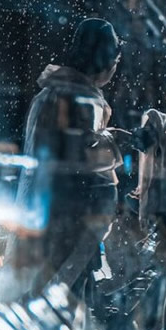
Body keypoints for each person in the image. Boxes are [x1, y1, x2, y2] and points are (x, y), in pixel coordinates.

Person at [17, 18, 125, 297]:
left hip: (43, 205)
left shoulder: (52, 90)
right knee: (64, 290)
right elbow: (85, 153)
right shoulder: (81, 96)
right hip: (70, 213)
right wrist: (120, 140)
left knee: (48, 286)